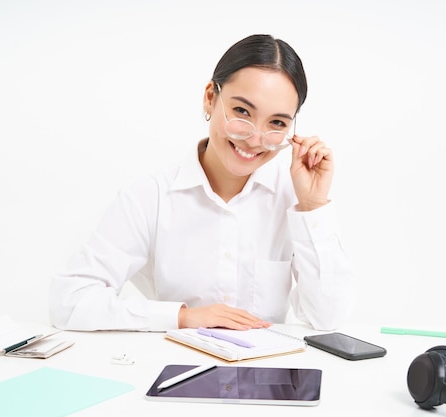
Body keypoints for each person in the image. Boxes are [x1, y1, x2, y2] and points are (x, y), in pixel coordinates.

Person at [49, 34, 354, 332]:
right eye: (241, 111)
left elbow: (327, 319)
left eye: (276, 123)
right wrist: (183, 317)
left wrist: (313, 207)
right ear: (210, 97)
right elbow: (70, 301)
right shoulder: (150, 197)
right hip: (177, 371)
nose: (255, 138)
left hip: (266, 375)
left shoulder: (293, 200)